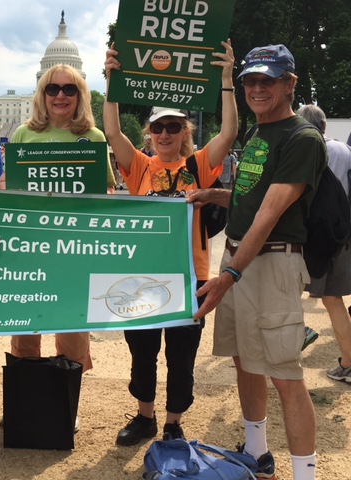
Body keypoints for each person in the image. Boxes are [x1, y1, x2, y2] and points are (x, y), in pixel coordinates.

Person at [189, 44, 324, 480]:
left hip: (270, 263)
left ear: (290, 84)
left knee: (285, 375)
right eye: (252, 80)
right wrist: (215, 195)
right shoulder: (256, 133)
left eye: (269, 80)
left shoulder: (302, 138)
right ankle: (257, 452)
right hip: (242, 260)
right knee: (244, 360)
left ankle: (305, 474)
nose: (258, 88)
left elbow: (268, 217)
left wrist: (228, 275)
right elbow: (252, 200)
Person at [103, 40, 237, 445]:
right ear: (149, 133)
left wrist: (227, 80)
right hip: (142, 274)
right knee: (142, 352)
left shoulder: (199, 166)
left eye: (173, 127)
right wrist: (111, 79)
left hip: (190, 277)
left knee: (182, 358)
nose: (164, 134)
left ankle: (173, 422)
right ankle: (145, 416)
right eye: (158, 127)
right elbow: (111, 131)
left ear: (185, 132)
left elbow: (229, 132)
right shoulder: (140, 166)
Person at [7, 64, 118, 429]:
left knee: (72, 335)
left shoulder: (94, 136)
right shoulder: (23, 135)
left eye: (69, 90)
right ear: (42, 94)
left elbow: (108, 190)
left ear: (80, 96)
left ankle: (64, 405)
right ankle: (26, 404)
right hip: (30, 251)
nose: (60, 96)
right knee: (26, 331)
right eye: (53, 89)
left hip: (73, 255)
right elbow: (11, 190)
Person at [297, 104, 351, 382]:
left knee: (287, 288)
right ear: (324, 125)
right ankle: (349, 361)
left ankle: (296, 334)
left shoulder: (304, 147)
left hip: (310, 234)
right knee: (333, 299)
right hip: (342, 233)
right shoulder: (345, 149)